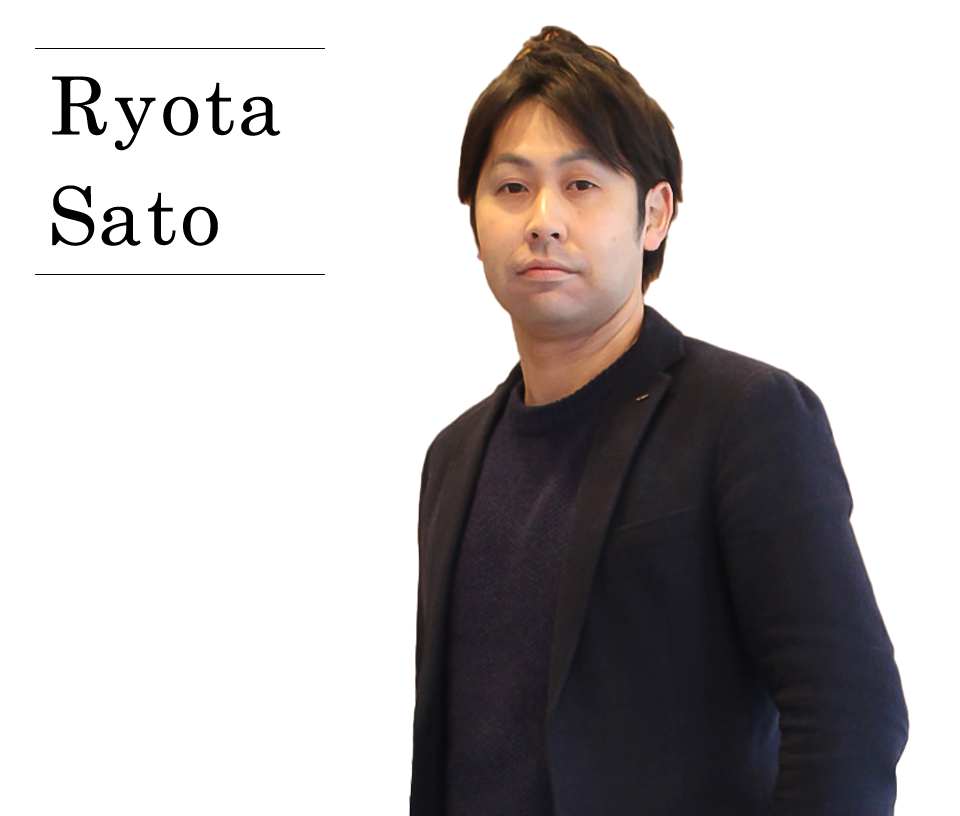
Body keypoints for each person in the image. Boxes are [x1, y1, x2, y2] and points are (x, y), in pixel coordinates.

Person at [410, 26, 908, 816]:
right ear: (475, 224)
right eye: (511, 188)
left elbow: (850, 713)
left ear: (655, 214)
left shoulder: (744, 417)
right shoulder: (452, 456)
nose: (543, 219)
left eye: (581, 184)